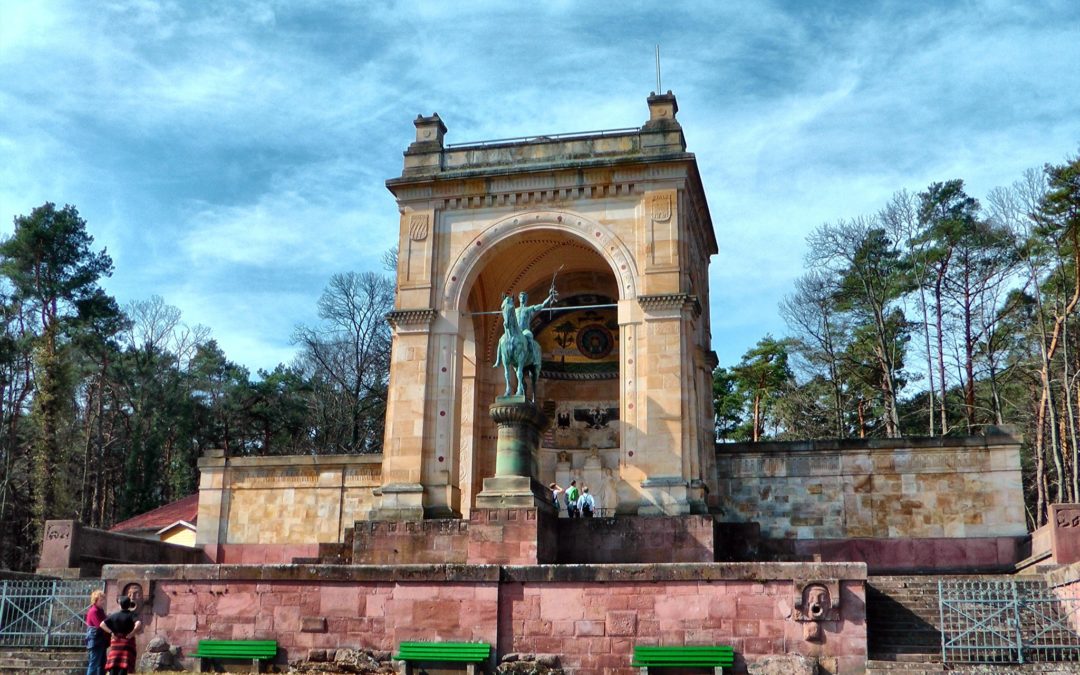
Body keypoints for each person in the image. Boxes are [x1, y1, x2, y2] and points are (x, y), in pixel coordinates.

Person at [103, 596, 142, 675]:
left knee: (114, 664)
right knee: (123, 666)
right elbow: (138, 624)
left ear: (120, 605)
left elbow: (102, 624)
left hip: (116, 642)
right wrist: (132, 633)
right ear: (129, 605)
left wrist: (111, 633)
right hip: (127, 643)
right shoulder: (132, 615)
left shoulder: (114, 615)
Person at [85, 590, 109, 675]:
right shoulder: (94, 611)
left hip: (101, 640)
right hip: (95, 641)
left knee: (102, 664)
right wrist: (111, 631)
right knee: (94, 664)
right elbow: (100, 625)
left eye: (103, 599)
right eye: (101, 600)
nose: (103, 602)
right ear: (95, 600)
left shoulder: (100, 610)